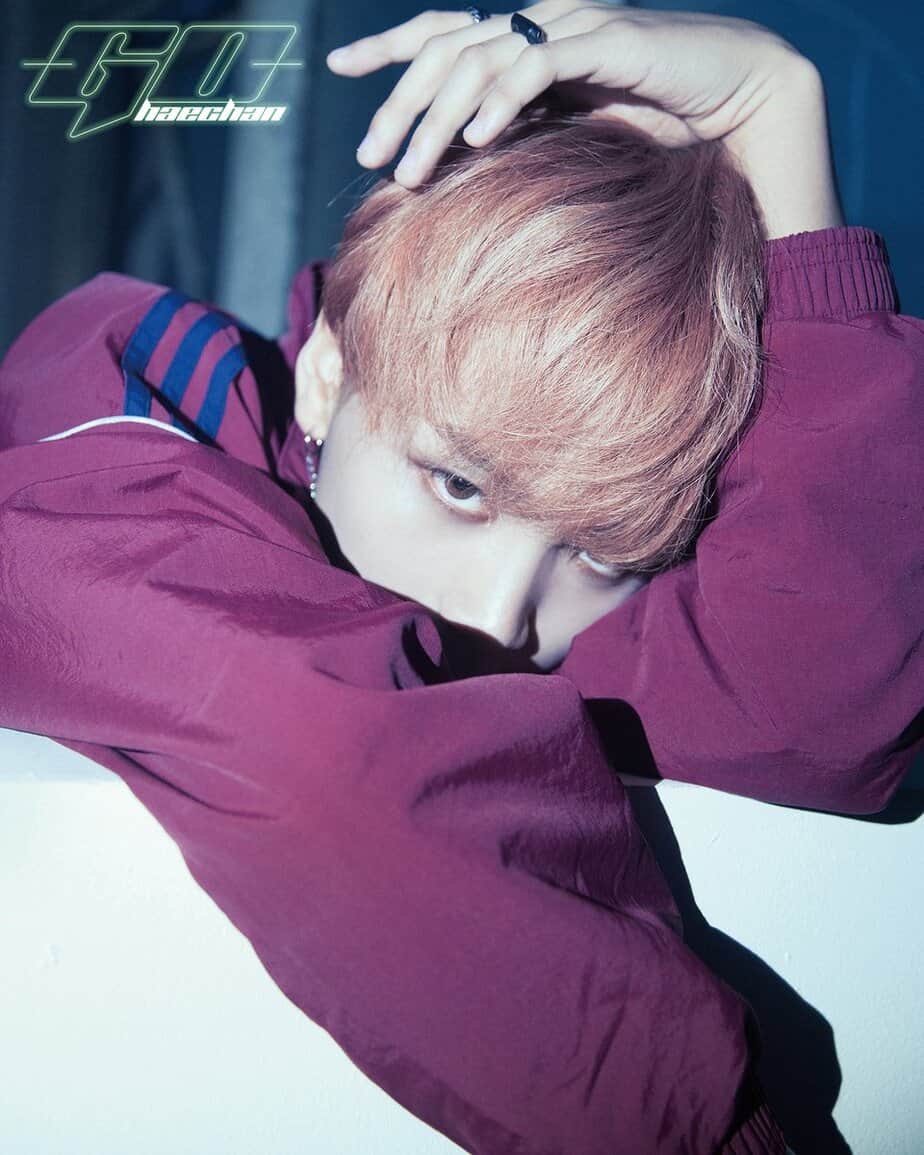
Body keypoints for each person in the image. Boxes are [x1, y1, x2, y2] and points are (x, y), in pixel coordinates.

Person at [0, 5, 920, 1152]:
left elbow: (819, 711)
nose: (499, 617)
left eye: (602, 554)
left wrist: (778, 117)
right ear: (328, 371)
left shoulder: (504, 607)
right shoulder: (128, 405)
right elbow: (318, 736)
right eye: (459, 487)